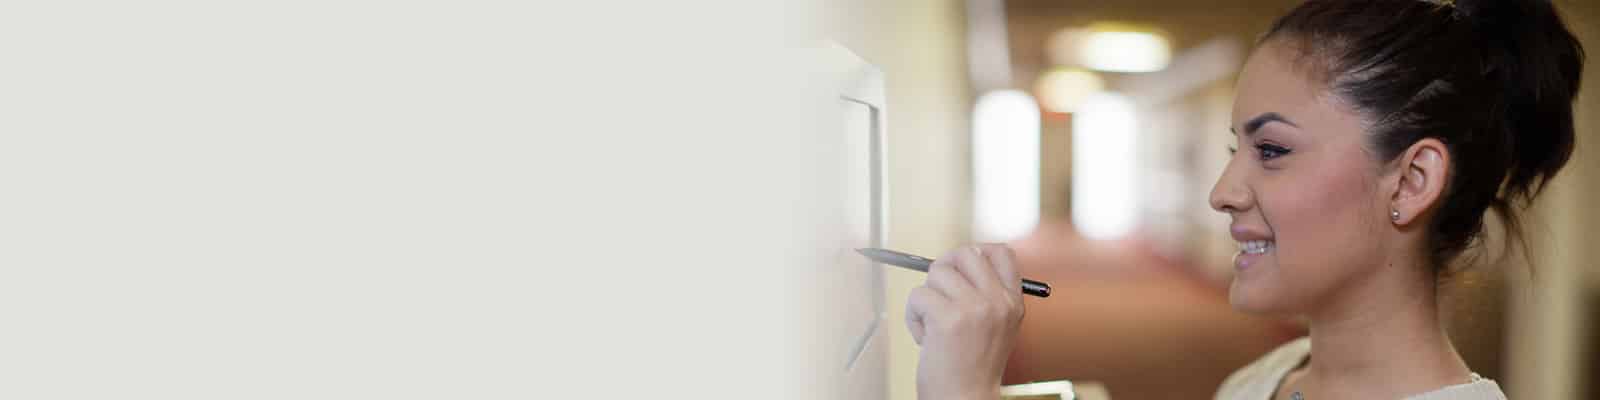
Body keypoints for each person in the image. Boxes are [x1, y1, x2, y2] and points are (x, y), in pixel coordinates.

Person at [902, 0, 1585, 399]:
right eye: (1236, 148)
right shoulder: (1271, 377)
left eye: (1273, 151)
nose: (1222, 193)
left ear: (1409, 183)